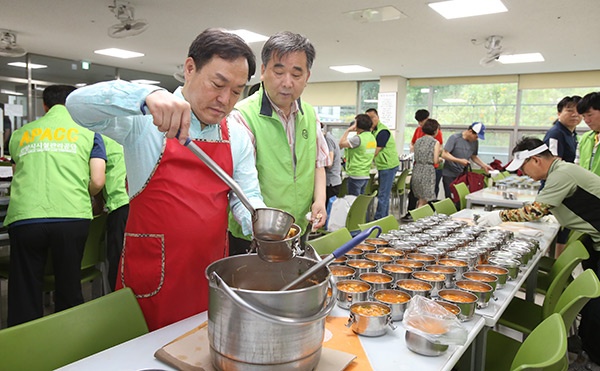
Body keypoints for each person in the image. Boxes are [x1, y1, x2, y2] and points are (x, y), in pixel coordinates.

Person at [66, 28, 265, 330]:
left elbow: (244, 195)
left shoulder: (236, 134)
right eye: (217, 84)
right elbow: (77, 106)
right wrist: (144, 96)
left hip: (209, 274)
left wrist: (260, 224)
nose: (225, 99)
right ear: (189, 68)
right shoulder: (146, 123)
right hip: (152, 277)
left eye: (236, 91)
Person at [476, 137, 600, 365]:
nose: (524, 173)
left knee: (598, 303)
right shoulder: (563, 171)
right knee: (594, 303)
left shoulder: (561, 174)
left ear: (536, 160)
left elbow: (535, 211)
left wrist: (499, 215)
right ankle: (586, 341)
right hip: (596, 237)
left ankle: (594, 356)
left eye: (524, 167)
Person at [6, 85, 106, 326]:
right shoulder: (90, 133)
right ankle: (67, 343)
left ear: (44, 106)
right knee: (69, 285)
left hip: (26, 218)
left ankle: (23, 346)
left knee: (24, 288)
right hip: (71, 217)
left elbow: (18, 174)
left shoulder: (21, 133)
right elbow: (97, 180)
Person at [227, 31, 329, 255]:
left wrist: (319, 200)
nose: (287, 82)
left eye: (296, 74)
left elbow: (318, 163)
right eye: (279, 71)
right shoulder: (242, 116)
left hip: (297, 229)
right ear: (263, 71)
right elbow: (240, 183)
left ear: (307, 77)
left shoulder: (310, 115)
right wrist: (262, 229)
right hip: (252, 236)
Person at [543, 95, 582, 258]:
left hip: (566, 186)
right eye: (569, 110)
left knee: (563, 228)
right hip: (556, 187)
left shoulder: (572, 134)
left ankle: (557, 261)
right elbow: (553, 163)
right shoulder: (556, 133)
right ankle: (551, 259)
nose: (575, 114)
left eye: (579, 111)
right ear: (559, 113)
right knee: (553, 228)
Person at [99, 135, 129, 292]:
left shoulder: (100, 137)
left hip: (120, 205)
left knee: (118, 262)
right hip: (142, 201)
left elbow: (97, 179)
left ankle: (119, 303)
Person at [441, 122, 493, 202]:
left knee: (461, 199)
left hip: (462, 175)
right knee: (451, 199)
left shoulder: (475, 142)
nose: (476, 139)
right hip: (449, 174)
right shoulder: (454, 138)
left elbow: (473, 156)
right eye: (476, 136)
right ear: (470, 131)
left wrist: (484, 165)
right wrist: (459, 160)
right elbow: (444, 154)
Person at [366, 108, 400, 220]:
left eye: (372, 117)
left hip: (388, 165)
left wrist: (364, 161)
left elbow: (375, 151)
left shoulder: (382, 131)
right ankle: (383, 218)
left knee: (383, 195)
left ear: (378, 117)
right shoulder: (373, 131)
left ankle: (379, 219)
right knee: (383, 194)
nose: (371, 120)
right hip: (382, 165)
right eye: (368, 118)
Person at [339, 114, 376, 196]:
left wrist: (348, 130)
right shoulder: (372, 137)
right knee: (359, 203)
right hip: (365, 174)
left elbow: (340, 144)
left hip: (355, 175)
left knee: (353, 203)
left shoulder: (358, 139)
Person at [411, 119, 441, 208]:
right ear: (435, 130)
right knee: (424, 200)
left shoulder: (418, 141)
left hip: (417, 169)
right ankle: (419, 219)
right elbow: (435, 160)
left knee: (420, 198)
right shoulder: (435, 142)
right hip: (428, 171)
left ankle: (417, 216)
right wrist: (441, 159)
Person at [577, 92, 600, 175]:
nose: (586, 120)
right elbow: (578, 166)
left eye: (590, 115)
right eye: (583, 116)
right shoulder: (585, 138)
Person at [322, 123, 342, 201]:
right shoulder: (330, 137)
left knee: (328, 210)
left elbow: (329, 163)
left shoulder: (327, 139)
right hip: (334, 181)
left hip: (331, 182)